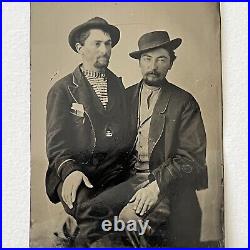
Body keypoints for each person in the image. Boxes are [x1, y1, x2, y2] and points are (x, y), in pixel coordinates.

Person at [45, 17, 131, 247]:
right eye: (97, 43)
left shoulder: (119, 87)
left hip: (112, 175)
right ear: (79, 48)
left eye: (109, 43)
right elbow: (56, 146)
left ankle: (70, 240)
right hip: (75, 174)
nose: (105, 50)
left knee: (124, 221)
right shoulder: (63, 90)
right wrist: (71, 172)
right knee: (95, 217)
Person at [117, 30, 208, 247]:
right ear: (139, 62)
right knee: (91, 225)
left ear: (171, 64)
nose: (153, 66)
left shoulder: (184, 102)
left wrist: (155, 186)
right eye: (147, 59)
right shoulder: (124, 98)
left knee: (129, 220)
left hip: (167, 187)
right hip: (126, 183)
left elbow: (192, 159)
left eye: (161, 59)